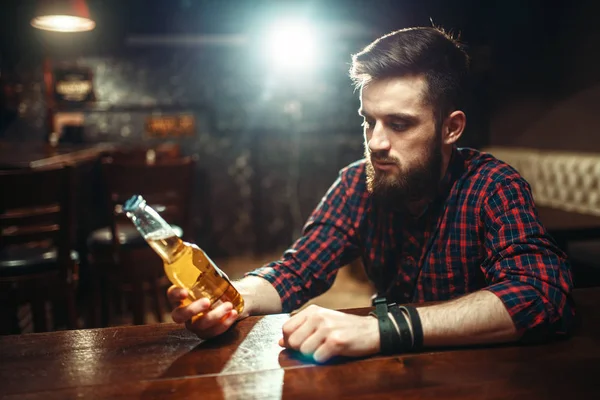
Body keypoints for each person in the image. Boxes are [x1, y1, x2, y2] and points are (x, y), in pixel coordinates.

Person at [168, 26, 574, 363]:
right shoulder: (355, 183)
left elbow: (540, 294)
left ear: (451, 128)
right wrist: (232, 297)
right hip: (394, 376)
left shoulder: (494, 186)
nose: (376, 142)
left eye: (399, 124)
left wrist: (382, 329)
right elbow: (297, 270)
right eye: (369, 121)